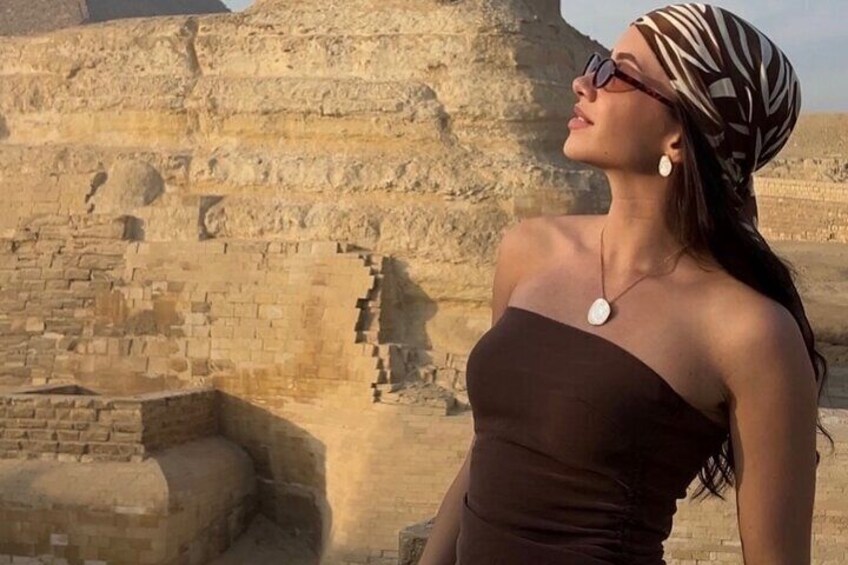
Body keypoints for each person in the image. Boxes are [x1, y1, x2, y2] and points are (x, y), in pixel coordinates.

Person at [418, 3, 833, 564]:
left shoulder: (750, 332)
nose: (584, 82)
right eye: (598, 62)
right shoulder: (529, 251)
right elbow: (489, 449)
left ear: (680, 136)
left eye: (618, 73)